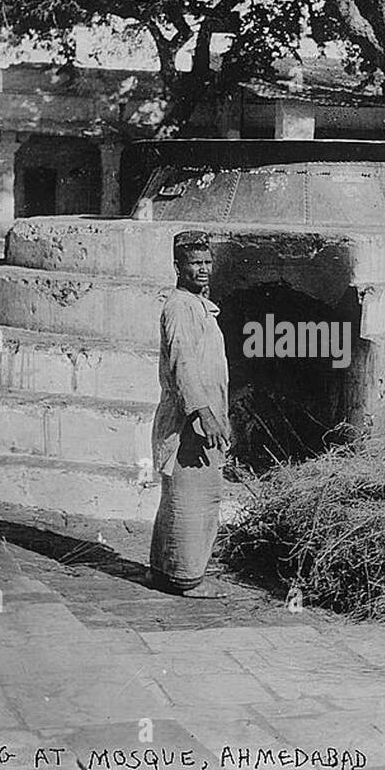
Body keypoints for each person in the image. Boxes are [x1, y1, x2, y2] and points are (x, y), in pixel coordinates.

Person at [148, 230, 231, 599]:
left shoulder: (197, 305)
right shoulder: (180, 307)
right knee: (193, 499)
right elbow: (183, 364)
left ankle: (167, 572)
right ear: (178, 267)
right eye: (195, 263)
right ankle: (186, 579)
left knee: (183, 496)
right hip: (189, 422)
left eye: (207, 262)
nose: (203, 269)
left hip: (197, 415)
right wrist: (205, 415)